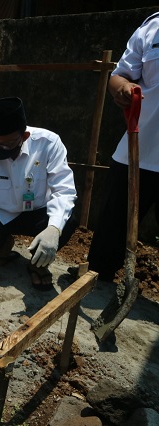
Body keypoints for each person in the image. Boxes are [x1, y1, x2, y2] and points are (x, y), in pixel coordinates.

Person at [0, 97, 78, 290]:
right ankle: (3, 247)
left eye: (6, 145)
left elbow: (64, 190)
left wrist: (53, 230)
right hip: (0, 212)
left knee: (68, 221)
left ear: (24, 136)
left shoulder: (48, 143)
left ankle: (37, 264)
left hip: (37, 213)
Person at [88, 12, 159, 281]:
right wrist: (122, 88)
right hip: (138, 148)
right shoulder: (152, 28)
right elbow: (120, 76)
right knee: (112, 228)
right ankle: (96, 278)